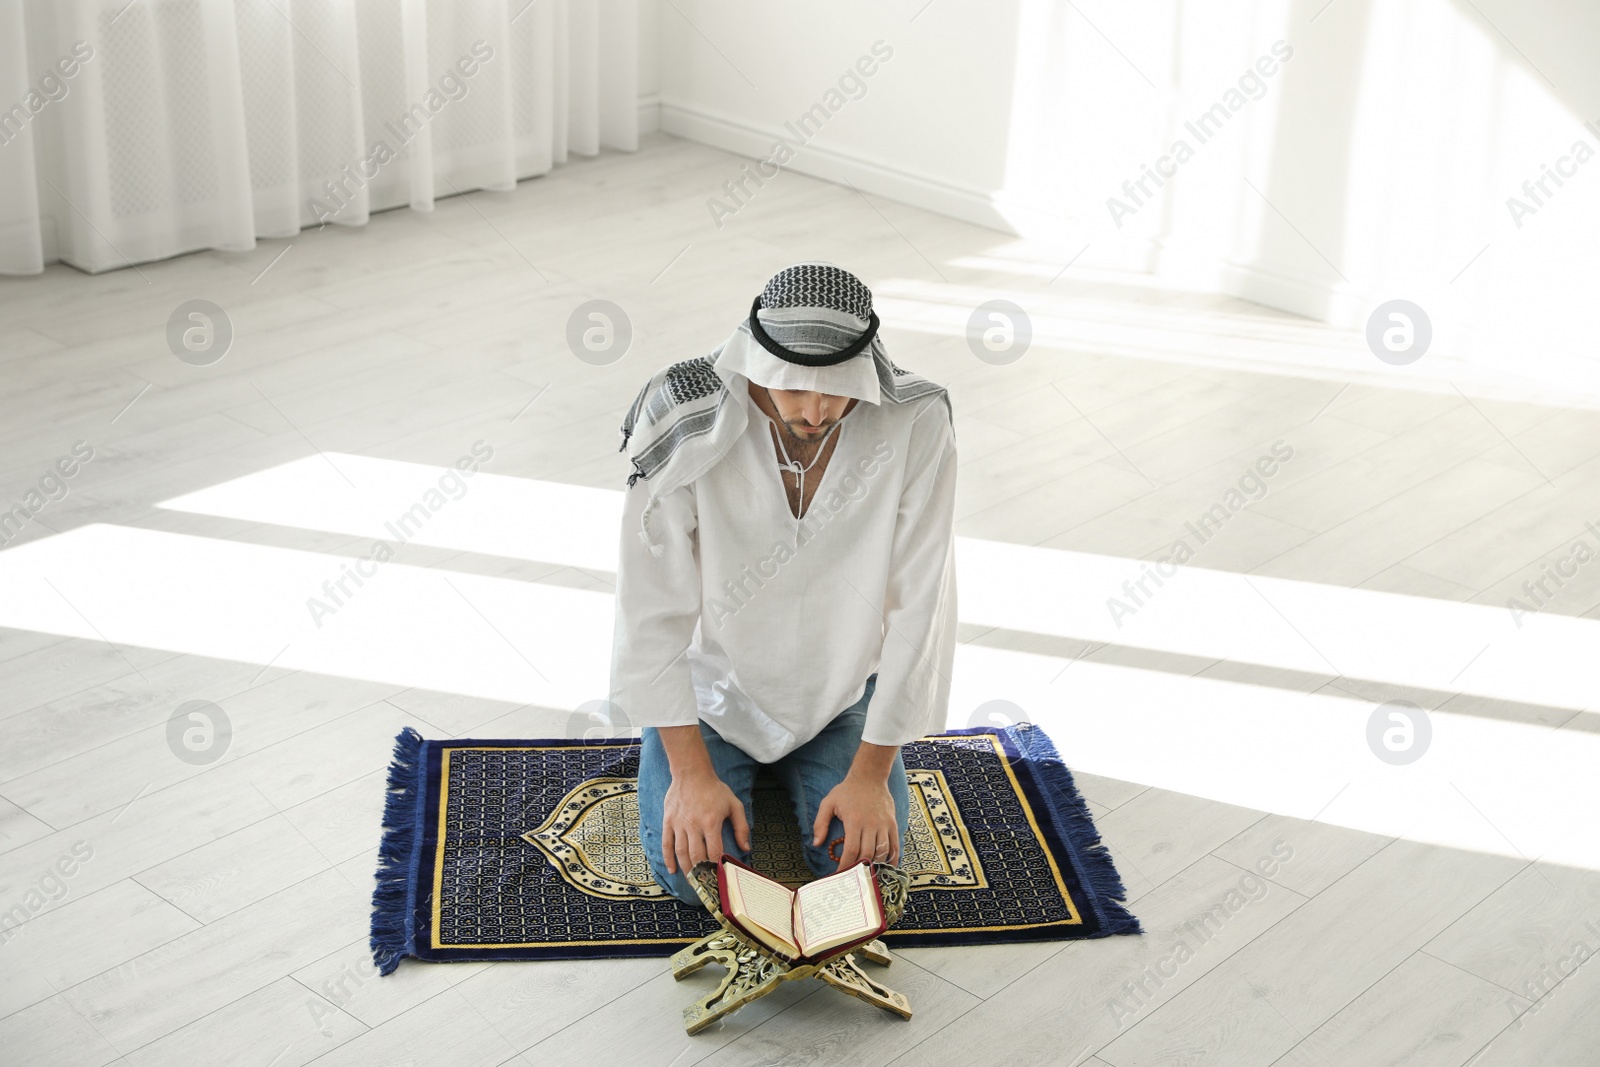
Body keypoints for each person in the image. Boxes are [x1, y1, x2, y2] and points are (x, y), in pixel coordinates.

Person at [609, 261, 958, 906]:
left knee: (864, 879)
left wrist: (870, 776)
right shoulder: (685, 418)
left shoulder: (915, 419)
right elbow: (648, 609)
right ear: (757, 363)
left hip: (843, 693)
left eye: (837, 389)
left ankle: (808, 769)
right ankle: (706, 763)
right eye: (794, 388)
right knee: (694, 884)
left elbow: (921, 603)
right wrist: (689, 775)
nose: (817, 411)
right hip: (715, 693)